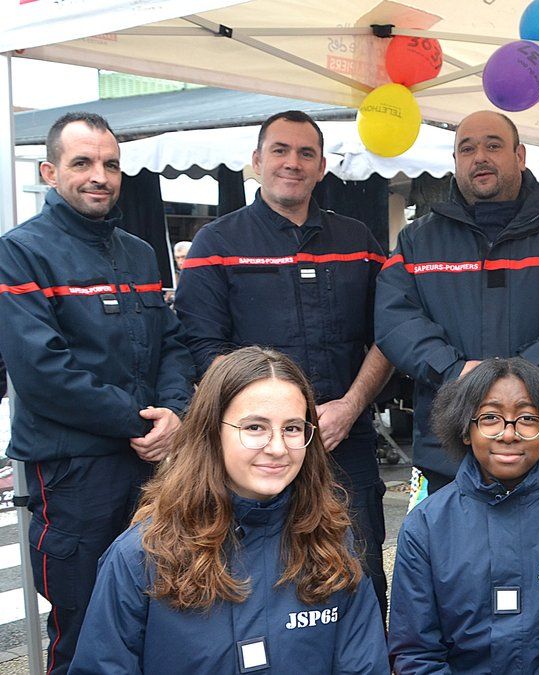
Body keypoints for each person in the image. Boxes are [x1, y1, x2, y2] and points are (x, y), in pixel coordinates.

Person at [174, 110, 393, 622]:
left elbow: (391, 334)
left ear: (321, 168)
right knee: (259, 582)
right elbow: (203, 348)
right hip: (254, 452)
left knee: (357, 575)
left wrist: (352, 404)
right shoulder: (216, 245)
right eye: (279, 151)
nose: (292, 163)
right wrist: (278, 424)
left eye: (305, 153)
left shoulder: (358, 241)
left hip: (346, 443)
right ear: (256, 162)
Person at [0, 112, 193, 674]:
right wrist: (143, 423)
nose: (99, 176)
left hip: (154, 466)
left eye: (110, 164)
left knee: (164, 616)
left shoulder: (138, 253)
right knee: (84, 632)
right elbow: (42, 372)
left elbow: (173, 345)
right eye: (82, 162)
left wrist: (177, 413)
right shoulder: (20, 252)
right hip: (73, 474)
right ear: (49, 170)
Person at [71, 347, 388, 673]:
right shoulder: (142, 556)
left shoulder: (332, 542)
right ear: (211, 432)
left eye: (292, 428)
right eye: (255, 427)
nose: (277, 448)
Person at [374, 110, 539, 494]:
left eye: (493, 145)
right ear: (456, 162)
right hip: (450, 454)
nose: (479, 157)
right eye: (466, 149)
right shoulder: (417, 241)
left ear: (519, 156)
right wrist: (453, 371)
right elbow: (395, 320)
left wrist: (523, 374)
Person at [388, 357, 539, 672]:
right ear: (465, 430)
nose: (508, 434)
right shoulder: (426, 525)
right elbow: (416, 654)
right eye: (490, 418)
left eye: (527, 419)